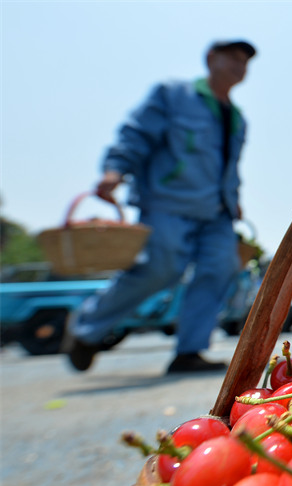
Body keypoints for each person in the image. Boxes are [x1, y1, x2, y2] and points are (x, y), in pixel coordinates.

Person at [64, 39, 257, 374]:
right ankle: (85, 327)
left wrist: (233, 199)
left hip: (216, 213)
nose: (240, 66)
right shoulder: (173, 95)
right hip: (169, 203)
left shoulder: (237, 118)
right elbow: (136, 133)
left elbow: (228, 166)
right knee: (160, 269)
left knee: (221, 268)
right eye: (233, 58)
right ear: (211, 58)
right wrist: (115, 169)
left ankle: (190, 351)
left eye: (245, 61)